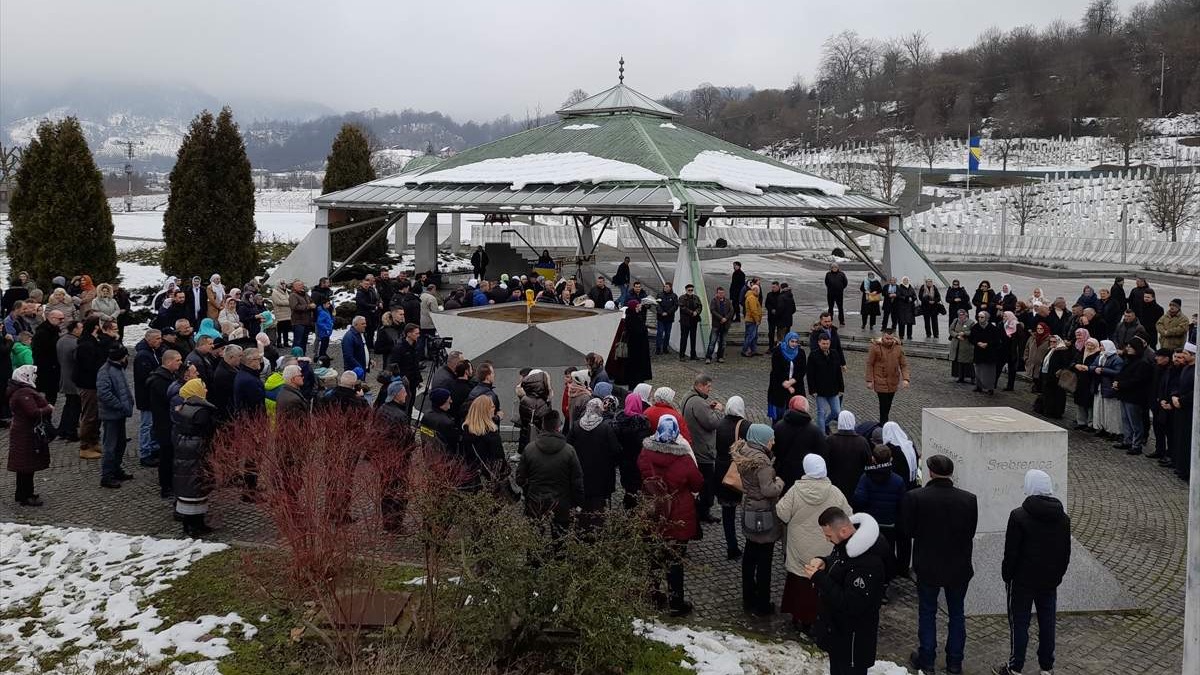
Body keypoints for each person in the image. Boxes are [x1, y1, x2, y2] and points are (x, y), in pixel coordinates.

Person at [903, 455, 978, 675]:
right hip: (958, 565)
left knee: (927, 612)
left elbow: (907, 531)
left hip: (928, 564)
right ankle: (955, 663)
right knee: (957, 613)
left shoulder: (915, 497)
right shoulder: (969, 499)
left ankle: (926, 660)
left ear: (931, 473)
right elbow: (970, 532)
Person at [993, 470, 1071, 675]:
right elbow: (1065, 552)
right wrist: (1057, 576)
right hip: (1049, 581)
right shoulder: (1062, 518)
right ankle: (1047, 667)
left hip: (1022, 581)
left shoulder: (1019, 516)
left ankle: (1015, 667)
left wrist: (1007, 575)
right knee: (1047, 623)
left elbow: (1011, 551)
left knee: (1019, 623)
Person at [808, 508, 890, 675]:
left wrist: (819, 578)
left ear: (844, 531)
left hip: (853, 642)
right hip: (839, 635)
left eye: (829, 536)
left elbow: (850, 603)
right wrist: (824, 561)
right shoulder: (847, 544)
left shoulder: (867, 562)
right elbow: (840, 564)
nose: (827, 539)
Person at [776, 454, 851, 629]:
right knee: (822, 584)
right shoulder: (834, 492)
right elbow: (848, 515)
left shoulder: (796, 490)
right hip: (825, 546)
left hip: (800, 547)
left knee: (800, 584)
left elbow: (782, 513)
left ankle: (799, 617)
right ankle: (820, 617)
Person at [639, 413, 703, 617]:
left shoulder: (645, 454)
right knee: (675, 561)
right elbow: (697, 483)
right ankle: (676, 603)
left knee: (653, 558)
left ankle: (654, 596)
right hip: (678, 516)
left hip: (653, 512)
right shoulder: (684, 458)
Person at [734, 423, 784, 616]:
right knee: (765, 559)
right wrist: (779, 481)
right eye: (771, 439)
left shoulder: (745, 452)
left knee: (750, 554)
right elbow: (768, 490)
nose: (772, 442)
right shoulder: (761, 461)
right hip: (762, 511)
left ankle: (748, 596)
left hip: (749, 507)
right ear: (762, 439)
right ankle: (763, 602)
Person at [516, 410, 583, 536]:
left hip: (536, 501)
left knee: (535, 539)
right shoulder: (569, 451)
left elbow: (520, 478)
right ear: (558, 427)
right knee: (560, 539)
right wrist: (578, 502)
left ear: (543, 426)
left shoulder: (530, 449)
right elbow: (577, 480)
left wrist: (529, 490)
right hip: (561, 502)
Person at [854, 444, 907, 600]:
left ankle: (867, 583)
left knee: (868, 554)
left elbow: (859, 500)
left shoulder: (865, 478)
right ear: (890, 459)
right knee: (886, 556)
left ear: (873, 459)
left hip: (869, 525)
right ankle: (883, 586)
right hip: (889, 525)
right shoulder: (898, 480)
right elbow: (902, 504)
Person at [172, 378, 218, 537]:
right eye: (203, 388)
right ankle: (194, 525)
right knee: (197, 486)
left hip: (185, 450)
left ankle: (192, 523)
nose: (206, 390)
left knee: (190, 486)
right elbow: (208, 430)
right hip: (197, 452)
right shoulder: (202, 411)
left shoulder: (185, 407)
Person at [566, 398, 620, 526]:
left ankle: (581, 524)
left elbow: (568, 446)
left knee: (581, 501)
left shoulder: (576, 426)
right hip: (601, 474)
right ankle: (597, 527)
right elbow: (616, 450)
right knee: (598, 504)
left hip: (581, 471)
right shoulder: (605, 428)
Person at [7, 365, 53, 506]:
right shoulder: (23, 393)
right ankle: (25, 495)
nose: (36, 376)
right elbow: (32, 412)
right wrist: (48, 408)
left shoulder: (20, 391)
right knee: (26, 465)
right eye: (33, 374)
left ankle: (24, 493)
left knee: (25, 465)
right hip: (25, 433)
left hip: (24, 432)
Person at [97, 345, 134, 489]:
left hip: (120, 413)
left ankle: (116, 469)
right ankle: (107, 476)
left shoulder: (118, 368)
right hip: (112, 415)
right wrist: (120, 405)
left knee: (120, 444)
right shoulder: (105, 371)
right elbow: (104, 394)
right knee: (110, 446)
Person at [146, 350, 182, 498]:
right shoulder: (160, 381)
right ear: (168, 362)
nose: (181, 363)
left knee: (170, 454)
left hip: (166, 422)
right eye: (178, 360)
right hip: (164, 423)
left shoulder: (167, 377)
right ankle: (166, 487)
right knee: (166, 456)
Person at [772, 395, 826, 489]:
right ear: (806, 409)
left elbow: (774, 449)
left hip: (782, 471)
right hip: (804, 474)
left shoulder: (778, 426)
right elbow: (822, 453)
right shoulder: (815, 431)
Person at [458, 394, 506, 493]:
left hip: (473, 475)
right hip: (488, 476)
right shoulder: (492, 436)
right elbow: (499, 459)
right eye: (492, 406)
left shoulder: (466, 429)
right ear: (486, 411)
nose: (494, 409)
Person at [1114, 336, 1152, 455]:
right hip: (1125, 394)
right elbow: (1123, 374)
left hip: (1135, 396)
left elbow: (1137, 380)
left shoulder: (1142, 363)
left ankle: (1137, 444)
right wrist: (1117, 383)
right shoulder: (1129, 360)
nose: (1128, 348)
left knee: (1135, 422)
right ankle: (1128, 440)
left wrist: (1120, 384)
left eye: (1131, 347)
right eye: (1128, 346)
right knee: (1126, 420)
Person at [73, 318, 105, 459]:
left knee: (96, 415)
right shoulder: (86, 345)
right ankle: (85, 446)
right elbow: (89, 366)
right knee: (89, 416)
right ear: (96, 327)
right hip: (88, 384)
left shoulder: (92, 341)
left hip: (93, 383)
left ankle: (93, 441)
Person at [132, 329, 163, 467]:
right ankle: (145, 453)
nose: (160, 341)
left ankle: (153, 447)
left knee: (153, 424)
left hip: (152, 395)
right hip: (146, 396)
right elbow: (146, 377)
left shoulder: (153, 352)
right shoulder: (143, 356)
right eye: (157, 339)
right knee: (147, 425)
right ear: (149, 340)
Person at [826, 410, 873, 500]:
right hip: (856, 483)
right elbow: (868, 462)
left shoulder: (830, 440)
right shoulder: (861, 441)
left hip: (835, 483)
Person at [865, 329, 909, 423]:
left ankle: (884, 422)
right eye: (887, 338)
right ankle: (883, 424)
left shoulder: (898, 348)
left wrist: (905, 379)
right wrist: (869, 380)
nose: (889, 341)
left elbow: (903, 364)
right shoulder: (875, 347)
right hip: (880, 380)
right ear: (883, 337)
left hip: (893, 381)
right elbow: (870, 364)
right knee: (883, 404)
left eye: (891, 339)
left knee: (888, 404)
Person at [807, 331, 844, 434]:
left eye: (827, 343)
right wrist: (812, 390)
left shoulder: (834, 353)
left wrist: (841, 388)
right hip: (820, 390)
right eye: (823, 344)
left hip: (833, 389)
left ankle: (826, 423)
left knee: (836, 411)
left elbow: (838, 372)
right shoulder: (813, 355)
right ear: (819, 343)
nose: (825, 346)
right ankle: (822, 435)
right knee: (821, 413)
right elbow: (810, 374)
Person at [768, 331, 806, 422]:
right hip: (779, 385)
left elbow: (802, 370)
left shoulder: (801, 353)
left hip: (796, 386)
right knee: (779, 413)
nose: (794, 344)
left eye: (796, 342)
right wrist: (787, 385)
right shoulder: (778, 351)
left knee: (795, 412)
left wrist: (791, 382)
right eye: (792, 341)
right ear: (787, 341)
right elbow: (776, 370)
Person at [56, 320, 83, 443]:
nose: (82, 329)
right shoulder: (75, 342)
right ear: (75, 329)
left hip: (64, 376)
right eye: (81, 327)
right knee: (75, 406)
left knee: (69, 405)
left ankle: (63, 429)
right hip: (73, 379)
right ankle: (71, 432)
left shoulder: (61, 340)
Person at [1037, 335, 1073, 419]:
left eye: (1054, 342)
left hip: (1057, 377)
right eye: (1051, 341)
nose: (1052, 343)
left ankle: (1057, 412)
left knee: (1058, 395)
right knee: (1048, 394)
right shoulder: (1050, 349)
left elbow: (1066, 363)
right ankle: (1048, 411)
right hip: (1047, 375)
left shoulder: (1062, 350)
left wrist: (1060, 370)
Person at [1071, 338, 1102, 431]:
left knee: (1089, 404)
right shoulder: (1081, 352)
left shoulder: (1098, 355)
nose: (1089, 347)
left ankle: (1090, 423)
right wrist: (1076, 366)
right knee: (1080, 402)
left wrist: (1088, 368)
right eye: (1087, 345)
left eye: (1091, 345)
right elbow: (1073, 362)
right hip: (1080, 381)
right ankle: (1081, 422)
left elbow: (1097, 367)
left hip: (1090, 381)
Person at [968, 311, 1002, 395]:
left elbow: (997, 340)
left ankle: (990, 388)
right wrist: (977, 343)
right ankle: (979, 386)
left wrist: (987, 344)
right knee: (978, 370)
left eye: (982, 317)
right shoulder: (975, 327)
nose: (980, 319)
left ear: (986, 318)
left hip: (989, 352)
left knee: (990, 371)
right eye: (978, 317)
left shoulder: (993, 328)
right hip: (979, 352)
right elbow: (971, 338)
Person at [621, 299, 653, 386]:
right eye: (638, 306)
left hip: (640, 345)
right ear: (634, 307)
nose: (640, 307)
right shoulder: (631, 317)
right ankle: (635, 380)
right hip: (635, 345)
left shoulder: (637, 315)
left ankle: (639, 378)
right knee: (635, 363)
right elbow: (636, 330)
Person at [705, 287, 734, 365]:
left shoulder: (728, 301)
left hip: (725, 325)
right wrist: (721, 318)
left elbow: (731, 311)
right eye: (719, 293)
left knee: (723, 342)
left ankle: (720, 357)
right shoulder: (714, 301)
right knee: (712, 342)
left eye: (722, 293)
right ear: (717, 293)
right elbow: (713, 310)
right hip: (716, 325)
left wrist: (726, 318)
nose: (721, 294)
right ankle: (708, 357)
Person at [1023, 323, 1052, 393]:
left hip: (1042, 363)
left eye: (1041, 329)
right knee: (1034, 377)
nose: (1039, 330)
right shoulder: (1032, 337)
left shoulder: (1049, 339)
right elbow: (1027, 348)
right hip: (1031, 362)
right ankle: (1034, 388)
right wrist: (1026, 359)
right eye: (1038, 328)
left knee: (1040, 378)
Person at [948, 309, 974, 384]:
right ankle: (960, 377)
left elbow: (973, 332)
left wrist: (965, 333)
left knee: (968, 362)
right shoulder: (955, 321)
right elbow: (951, 330)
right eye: (959, 314)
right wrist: (957, 335)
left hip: (966, 345)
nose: (961, 316)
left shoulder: (971, 322)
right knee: (958, 361)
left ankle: (972, 377)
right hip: (956, 344)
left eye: (962, 314)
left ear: (966, 314)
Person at [288, 280, 316, 351]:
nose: (302, 286)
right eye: (300, 285)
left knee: (304, 341)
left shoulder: (305, 294)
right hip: (298, 322)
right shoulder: (293, 295)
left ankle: (302, 357)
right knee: (298, 341)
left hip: (307, 322)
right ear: (295, 287)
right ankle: (295, 357)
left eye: (302, 284)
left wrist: (313, 305)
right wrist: (309, 306)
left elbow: (311, 301)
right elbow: (295, 307)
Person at [677, 283, 702, 361]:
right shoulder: (681, 298)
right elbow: (682, 307)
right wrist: (692, 312)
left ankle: (693, 355)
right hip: (685, 321)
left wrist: (697, 312)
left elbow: (700, 306)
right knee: (684, 338)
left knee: (693, 338)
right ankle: (682, 355)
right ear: (686, 290)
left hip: (694, 321)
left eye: (691, 290)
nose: (690, 291)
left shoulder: (696, 298)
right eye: (689, 290)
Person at [741, 283, 763, 357]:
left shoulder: (752, 297)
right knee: (750, 336)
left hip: (751, 320)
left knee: (754, 336)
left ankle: (754, 350)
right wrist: (757, 320)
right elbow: (754, 310)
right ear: (755, 290)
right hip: (751, 320)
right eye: (758, 290)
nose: (759, 292)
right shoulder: (752, 298)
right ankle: (744, 350)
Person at [893, 277, 918, 341]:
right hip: (902, 307)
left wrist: (912, 298)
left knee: (910, 322)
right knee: (902, 322)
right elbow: (898, 295)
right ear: (902, 281)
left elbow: (914, 295)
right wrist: (906, 298)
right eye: (904, 280)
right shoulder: (899, 287)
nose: (905, 281)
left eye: (906, 280)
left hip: (910, 307)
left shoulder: (911, 287)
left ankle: (909, 335)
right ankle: (901, 335)